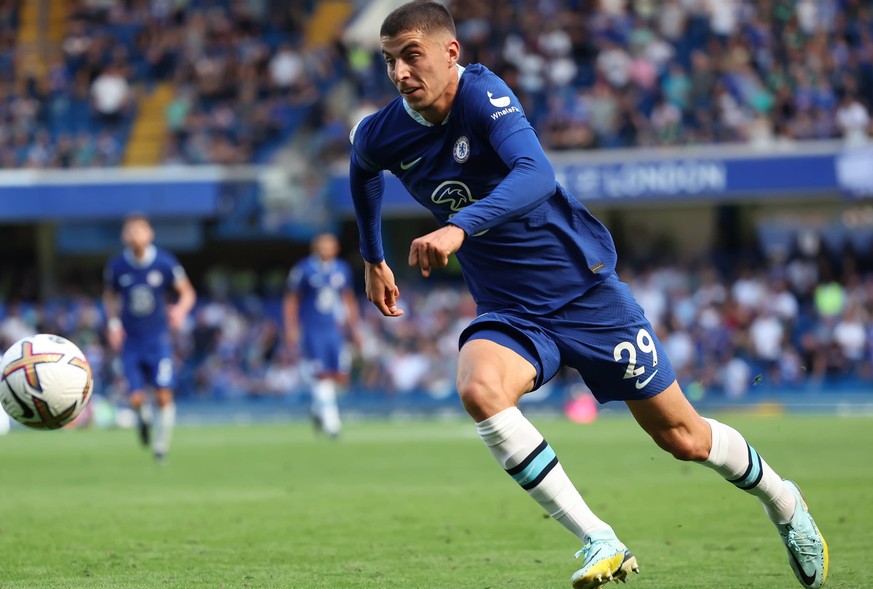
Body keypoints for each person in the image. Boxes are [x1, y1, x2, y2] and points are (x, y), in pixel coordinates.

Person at [347, 2, 829, 588]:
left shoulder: (483, 95)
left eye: (411, 56)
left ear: (451, 53)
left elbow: (535, 174)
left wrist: (459, 227)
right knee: (479, 388)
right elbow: (362, 167)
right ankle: (599, 538)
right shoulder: (382, 131)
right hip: (510, 309)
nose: (400, 73)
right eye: (389, 61)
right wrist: (373, 257)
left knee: (683, 438)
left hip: (584, 292)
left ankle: (784, 501)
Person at [103, 213, 196, 462]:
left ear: (150, 234)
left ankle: (160, 447)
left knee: (163, 394)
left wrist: (180, 310)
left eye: (139, 230)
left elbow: (187, 292)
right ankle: (143, 419)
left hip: (158, 339)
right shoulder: (116, 266)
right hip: (131, 342)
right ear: (123, 236)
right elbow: (109, 297)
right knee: (135, 397)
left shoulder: (165, 262)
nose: (135, 236)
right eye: (130, 231)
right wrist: (113, 324)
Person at [283, 232, 361, 438]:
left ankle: (318, 409)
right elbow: (291, 299)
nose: (326, 249)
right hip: (313, 329)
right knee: (322, 374)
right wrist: (291, 327)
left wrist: (355, 328)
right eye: (322, 245)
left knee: (340, 376)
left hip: (335, 330)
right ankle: (332, 424)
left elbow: (348, 299)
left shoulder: (342, 269)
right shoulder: (304, 269)